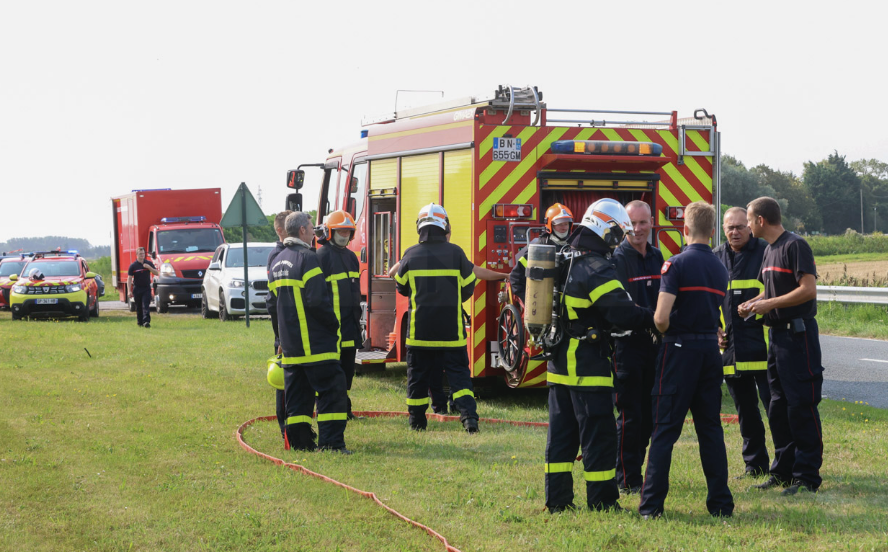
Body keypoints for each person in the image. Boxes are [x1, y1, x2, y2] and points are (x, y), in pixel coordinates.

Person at [545, 198, 656, 514]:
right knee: (600, 437)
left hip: (559, 366)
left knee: (562, 438)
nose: (619, 242)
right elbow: (623, 312)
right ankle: (603, 502)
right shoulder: (596, 267)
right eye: (618, 235)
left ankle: (558, 501)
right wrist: (658, 318)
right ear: (606, 231)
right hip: (587, 367)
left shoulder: (566, 256)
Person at [638, 201, 733, 519]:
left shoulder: (675, 265)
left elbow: (661, 318)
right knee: (710, 429)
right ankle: (721, 504)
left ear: (685, 230)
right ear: (712, 230)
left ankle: (651, 506)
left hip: (679, 351)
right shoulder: (721, 268)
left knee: (665, 430)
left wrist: (664, 328)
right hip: (709, 352)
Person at [739, 197, 823, 495]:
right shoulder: (770, 250)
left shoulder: (794, 245)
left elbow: (808, 289)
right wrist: (755, 302)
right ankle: (783, 473)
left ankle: (807, 477)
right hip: (776, 338)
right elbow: (773, 290)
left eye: (749, 220)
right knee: (778, 407)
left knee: (801, 406)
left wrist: (770, 303)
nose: (747, 225)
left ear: (761, 220)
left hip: (798, 338)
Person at [389, 217, 505, 415]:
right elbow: (474, 274)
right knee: (455, 371)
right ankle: (457, 411)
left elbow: (395, 275)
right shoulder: (454, 254)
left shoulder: (415, 253)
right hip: (449, 326)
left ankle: (436, 409)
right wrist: (504, 276)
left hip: (422, 328)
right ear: (444, 232)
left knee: (429, 372)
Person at [268, 211, 350, 453]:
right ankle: (332, 444)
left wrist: (281, 338)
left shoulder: (276, 261)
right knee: (332, 391)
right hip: (316, 346)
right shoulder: (308, 259)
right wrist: (333, 325)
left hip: (292, 348)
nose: (315, 231)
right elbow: (317, 301)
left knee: (298, 399)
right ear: (302, 230)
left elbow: (272, 305)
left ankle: (300, 444)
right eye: (312, 227)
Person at [394, 203, 480, 433]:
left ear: (420, 226)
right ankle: (469, 419)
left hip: (419, 334)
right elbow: (468, 287)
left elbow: (401, 287)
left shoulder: (410, 254)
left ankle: (417, 423)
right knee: (460, 378)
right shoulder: (456, 253)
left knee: (417, 380)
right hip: (451, 333)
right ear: (445, 225)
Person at [713, 207, 773, 478]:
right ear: (723, 229)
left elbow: (777, 290)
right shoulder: (716, 258)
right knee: (746, 413)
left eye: (740, 226)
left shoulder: (765, 252)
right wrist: (713, 328)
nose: (735, 232)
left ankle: (787, 464)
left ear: (750, 227)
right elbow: (707, 300)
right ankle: (755, 465)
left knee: (776, 410)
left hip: (764, 349)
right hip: (731, 351)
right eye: (730, 228)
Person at [611, 200, 664, 494]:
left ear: (652, 222)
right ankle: (627, 478)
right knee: (630, 415)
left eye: (644, 223)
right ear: (623, 226)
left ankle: (637, 473)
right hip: (627, 347)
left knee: (649, 417)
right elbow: (623, 310)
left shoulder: (657, 257)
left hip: (656, 347)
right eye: (633, 223)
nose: (639, 229)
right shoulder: (617, 259)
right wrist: (657, 319)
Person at [316, 210, 363, 420]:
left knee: (347, 370)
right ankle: (329, 407)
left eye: (348, 231)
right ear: (329, 232)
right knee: (330, 371)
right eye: (340, 230)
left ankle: (345, 407)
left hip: (349, 327)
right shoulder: (321, 256)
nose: (344, 235)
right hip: (331, 328)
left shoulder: (352, 257)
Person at [509, 203, 573, 302]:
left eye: (566, 224)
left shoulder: (575, 246)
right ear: (550, 225)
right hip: (544, 303)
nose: (564, 227)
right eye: (559, 224)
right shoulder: (540, 247)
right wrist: (528, 300)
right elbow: (516, 277)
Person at [267, 210, 292, 441]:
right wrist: (280, 338)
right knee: (283, 384)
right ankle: (285, 428)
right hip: (284, 334)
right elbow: (273, 303)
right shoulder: (278, 255)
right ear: (280, 230)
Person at [127, 247, 159, 328]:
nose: (142, 255)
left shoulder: (148, 263)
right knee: (139, 307)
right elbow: (129, 278)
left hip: (146, 288)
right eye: (140, 254)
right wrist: (129, 291)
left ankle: (146, 321)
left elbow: (156, 273)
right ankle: (140, 322)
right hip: (137, 288)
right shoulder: (133, 266)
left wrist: (149, 267)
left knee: (146, 305)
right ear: (137, 255)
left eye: (143, 254)